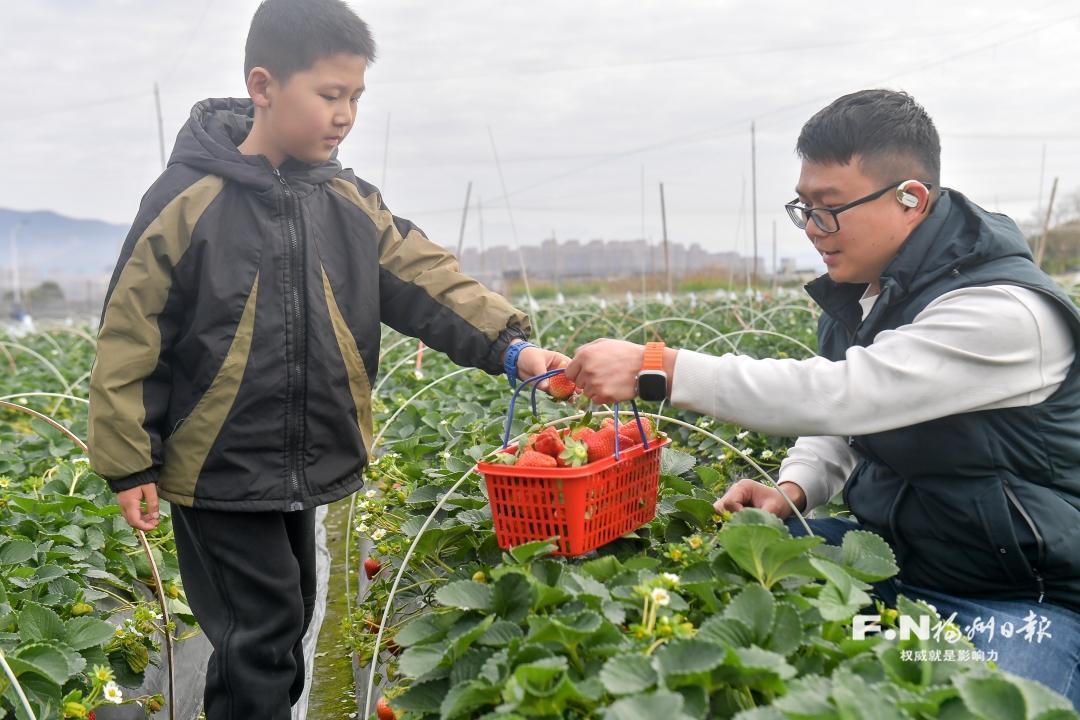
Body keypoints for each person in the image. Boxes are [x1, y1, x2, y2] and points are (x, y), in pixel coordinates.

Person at [86, 2, 566, 717]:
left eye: (356, 98)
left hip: (303, 459)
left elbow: (428, 280)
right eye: (330, 95)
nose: (345, 116)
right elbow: (130, 334)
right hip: (216, 463)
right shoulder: (188, 201)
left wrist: (512, 346)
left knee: (291, 616)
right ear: (263, 85)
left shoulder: (347, 201)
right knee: (261, 632)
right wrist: (129, 461)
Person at [566, 89, 1080, 705]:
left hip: (1019, 593)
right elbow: (841, 424)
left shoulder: (1002, 312)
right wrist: (796, 487)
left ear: (910, 199)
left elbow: (846, 394)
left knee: (997, 705)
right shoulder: (869, 292)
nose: (812, 230)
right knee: (723, 577)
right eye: (803, 208)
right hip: (900, 564)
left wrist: (661, 369)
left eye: (829, 209)